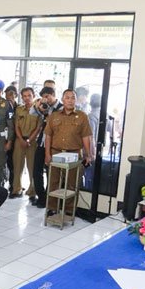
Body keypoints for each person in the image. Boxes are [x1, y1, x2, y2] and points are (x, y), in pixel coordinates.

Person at [43, 88, 93, 216]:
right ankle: (52, 207)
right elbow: (48, 136)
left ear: (76, 100)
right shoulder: (54, 116)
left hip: (74, 154)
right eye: (67, 97)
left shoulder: (82, 116)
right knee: (53, 182)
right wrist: (47, 155)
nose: (70, 100)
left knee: (72, 183)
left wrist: (88, 154)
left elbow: (86, 137)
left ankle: (69, 210)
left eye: (73, 98)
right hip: (56, 153)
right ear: (62, 100)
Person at [31, 85, 61, 208]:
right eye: (43, 97)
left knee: (51, 173)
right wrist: (38, 104)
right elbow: (31, 112)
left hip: (54, 144)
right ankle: (41, 197)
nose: (46, 99)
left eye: (47, 97)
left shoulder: (61, 108)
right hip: (41, 142)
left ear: (54, 95)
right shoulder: (44, 107)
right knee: (36, 171)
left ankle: (50, 199)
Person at [10, 87, 41, 199]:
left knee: (31, 166)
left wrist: (28, 140)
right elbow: (16, 126)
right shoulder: (19, 109)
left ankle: (32, 190)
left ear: (33, 95)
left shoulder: (38, 109)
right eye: (24, 96)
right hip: (19, 140)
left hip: (32, 141)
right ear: (21, 97)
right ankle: (16, 189)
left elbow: (38, 128)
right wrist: (21, 139)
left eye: (29, 95)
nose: (27, 98)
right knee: (17, 165)